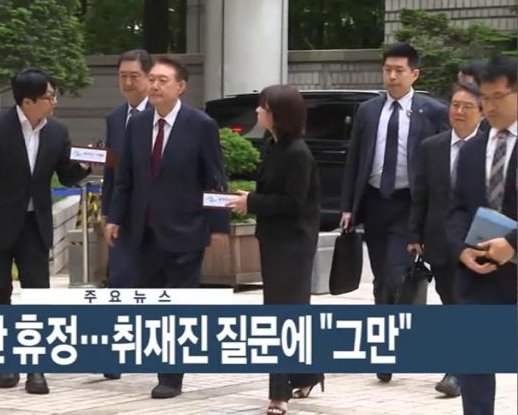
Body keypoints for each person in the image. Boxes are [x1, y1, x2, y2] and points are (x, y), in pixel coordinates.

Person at [0, 69, 90, 395]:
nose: (54, 102)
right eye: (49, 96)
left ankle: (36, 368)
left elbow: (66, 175)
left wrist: (86, 165)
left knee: (37, 295)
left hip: (34, 225)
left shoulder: (57, 131)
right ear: (27, 101)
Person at [105, 57, 230, 399]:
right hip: (143, 232)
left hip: (185, 230)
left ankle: (170, 377)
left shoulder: (200, 124)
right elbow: (125, 177)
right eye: (153, 80)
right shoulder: (137, 123)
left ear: (181, 86)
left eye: (163, 80)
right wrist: (115, 217)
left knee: (177, 305)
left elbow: (215, 177)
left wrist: (219, 226)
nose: (155, 86)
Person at [340, 42, 448, 383]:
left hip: (408, 205)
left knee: (394, 275)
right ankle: (383, 345)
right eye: (387, 69)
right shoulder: (369, 111)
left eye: (399, 70)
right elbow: (355, 159)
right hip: (375, 202)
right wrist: (348, 206)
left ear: (414, 74)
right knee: (379, 279)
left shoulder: (432, 111)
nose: (392, 76)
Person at [227, 85, 323, 415]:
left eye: (263, 107)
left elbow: (293, 203)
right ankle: (307, 374)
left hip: (293, 245)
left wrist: (251, 202)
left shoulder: (297, 153)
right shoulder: (273, 145)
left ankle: (279, 394)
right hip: (274, 240)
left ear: (279, 114)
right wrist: (250, 198)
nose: (257, 111)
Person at [448, 55, 517, 415]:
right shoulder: (474, 148)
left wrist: (512, 244)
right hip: (479, 274)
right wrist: (461, 248)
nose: (489, 107)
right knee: (473, 365)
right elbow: (457, 206)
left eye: (497, 97)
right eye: (485, 98)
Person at [407, 82, 484, 398]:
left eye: (467, 106)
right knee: (450, 301)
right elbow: (421, 195)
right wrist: (415, 234)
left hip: (479, 241)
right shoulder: (432, 147)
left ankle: (457, 371)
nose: (459, 112)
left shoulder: (492, 147)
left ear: (482, 112)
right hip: (440, 240)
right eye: (455, 105)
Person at [100, 49, 153, 381]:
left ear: (149, 77)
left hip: (159, 217)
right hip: (123, 215)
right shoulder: (116, 118)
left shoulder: (163, 115)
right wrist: (108, 214)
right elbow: (112, 171)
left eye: (135, 76)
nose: (128, 82)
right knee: (119, 281)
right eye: (123, 76)